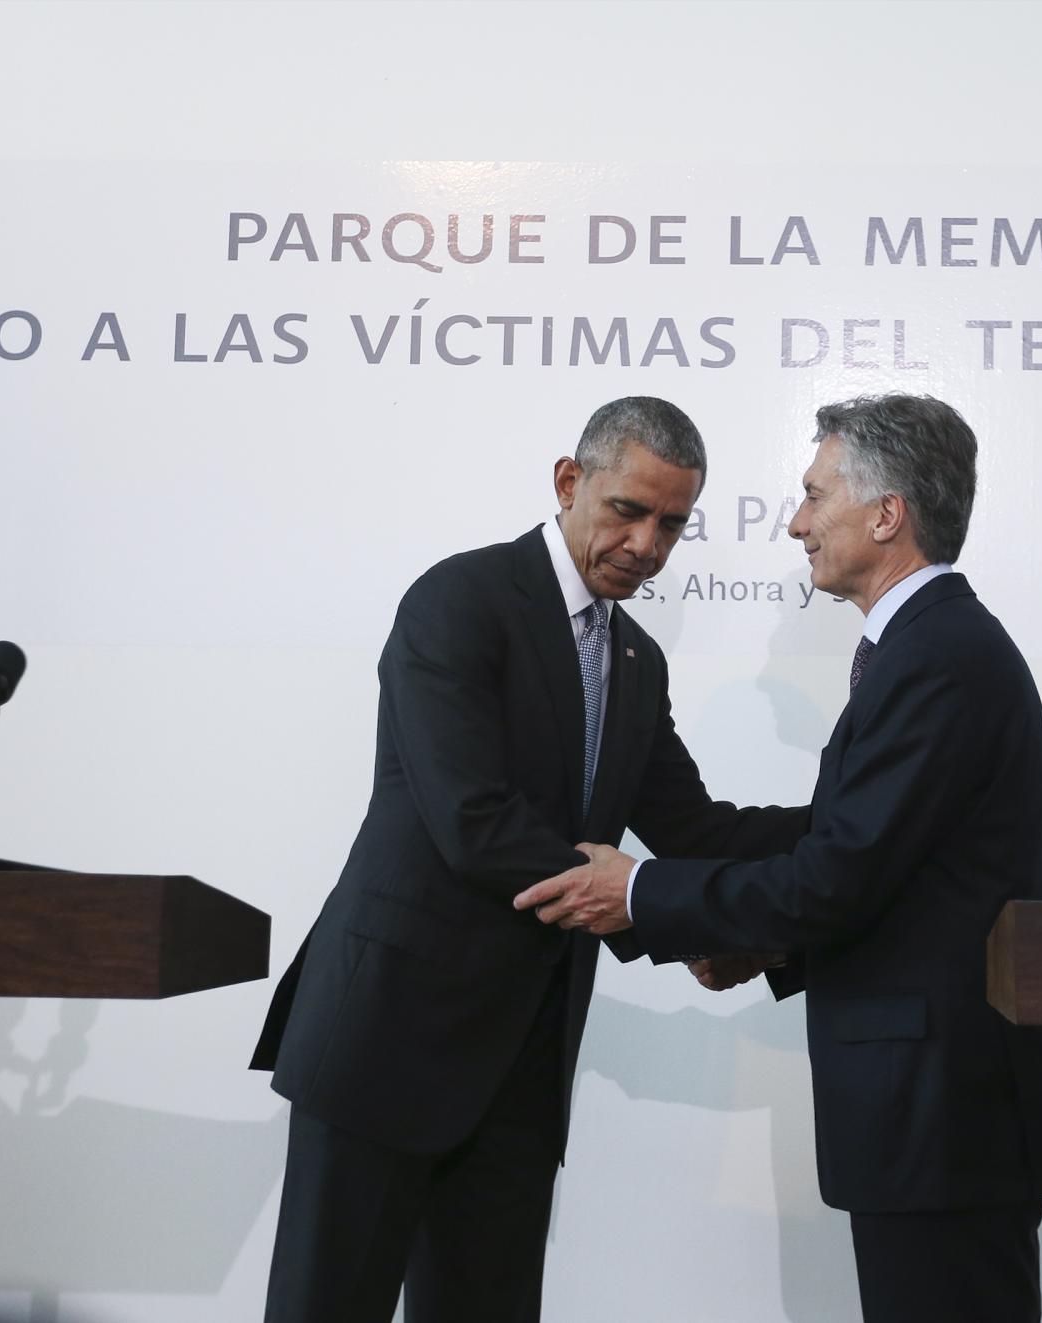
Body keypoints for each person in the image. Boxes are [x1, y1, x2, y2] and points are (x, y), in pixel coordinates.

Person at [515, 393, 1042, 1322]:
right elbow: (873, 864)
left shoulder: (939, 656)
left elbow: (838, 876)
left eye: (816, 495)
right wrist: (759, 940)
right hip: (931, 1113)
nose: (797, 522)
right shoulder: (927, 649)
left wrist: (643, 892)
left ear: (886, 514)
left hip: (942, 1113)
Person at [250, 397, 807, 1323]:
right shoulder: (460, 599)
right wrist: (652, 912)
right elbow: (474, 822)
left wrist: (853, 828)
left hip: (520, 1063)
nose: (647, 544)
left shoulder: (636, 658)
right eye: (628, 509)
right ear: (567, 481)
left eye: (672, 523)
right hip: (387, 1040)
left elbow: (696, 827)